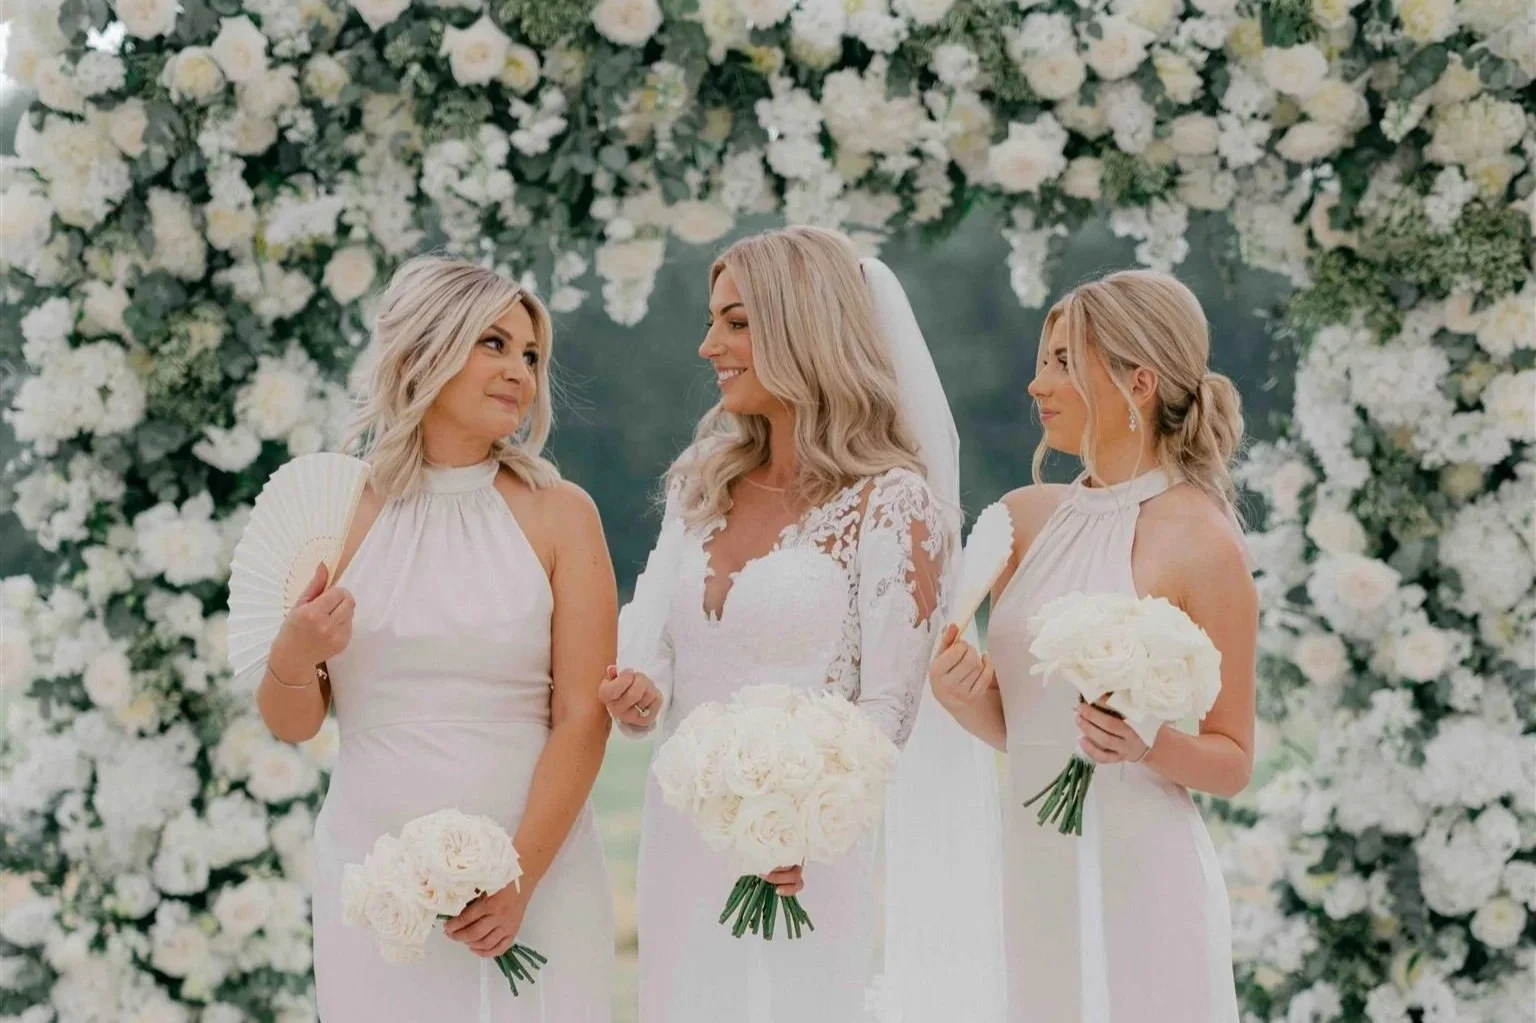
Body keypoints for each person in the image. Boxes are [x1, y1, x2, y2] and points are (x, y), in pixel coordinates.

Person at [601, 226, 1003, 1023]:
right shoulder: (701, 484)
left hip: (804, 857)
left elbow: (889, 709)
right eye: (712, 321)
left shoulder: (894, 502)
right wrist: (638, 696)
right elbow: (659, 652)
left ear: (803, 326)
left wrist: (793, 826)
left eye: (736, 322)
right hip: (681, 840)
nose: (708, 345)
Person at [256, 255, 615, 1022]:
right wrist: (293, 653)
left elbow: (584, 715)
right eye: (494, 343)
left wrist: (520, 878)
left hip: (537, 875)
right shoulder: (335, 512)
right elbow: (294, 721)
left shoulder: (562, 513)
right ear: (425, 348)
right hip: (375, 882)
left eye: (530, 355)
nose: (519, 370)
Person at [930, 269, 1253, 1022]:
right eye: (1041, 361)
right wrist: (964, 696)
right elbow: (1033, 727)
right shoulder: (1022, 520)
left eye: (1063, 362)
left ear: (1139, 383)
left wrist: (1147, 743)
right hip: (1033, 862)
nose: (1037, 384)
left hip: (1141, 873)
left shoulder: (1204, 540)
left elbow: (1234, 759)